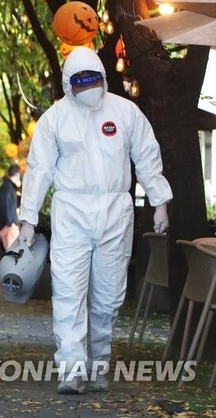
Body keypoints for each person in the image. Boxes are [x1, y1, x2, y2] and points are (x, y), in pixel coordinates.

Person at [18, 47, 172, 395]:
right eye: (81, 82)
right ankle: (72, 370)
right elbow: (39, 171)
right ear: (68, 85)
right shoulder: (54, 119)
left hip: (116, 212)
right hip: (71, 212)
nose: (89, 88)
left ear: (103, 78)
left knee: (108, 296)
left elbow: (147, 155)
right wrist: (28, 219)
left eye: (94, 80)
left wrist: (159, 201)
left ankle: (98, 365)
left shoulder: (124, 112)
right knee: (69, 292)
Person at [0, 164, 21, 253]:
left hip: (9, 225)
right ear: (17, 175)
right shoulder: (7, 188)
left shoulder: (6, 187)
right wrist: (8, 225)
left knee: (13, 254)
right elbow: (6, 208)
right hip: (9, 226)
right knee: (13, 254)